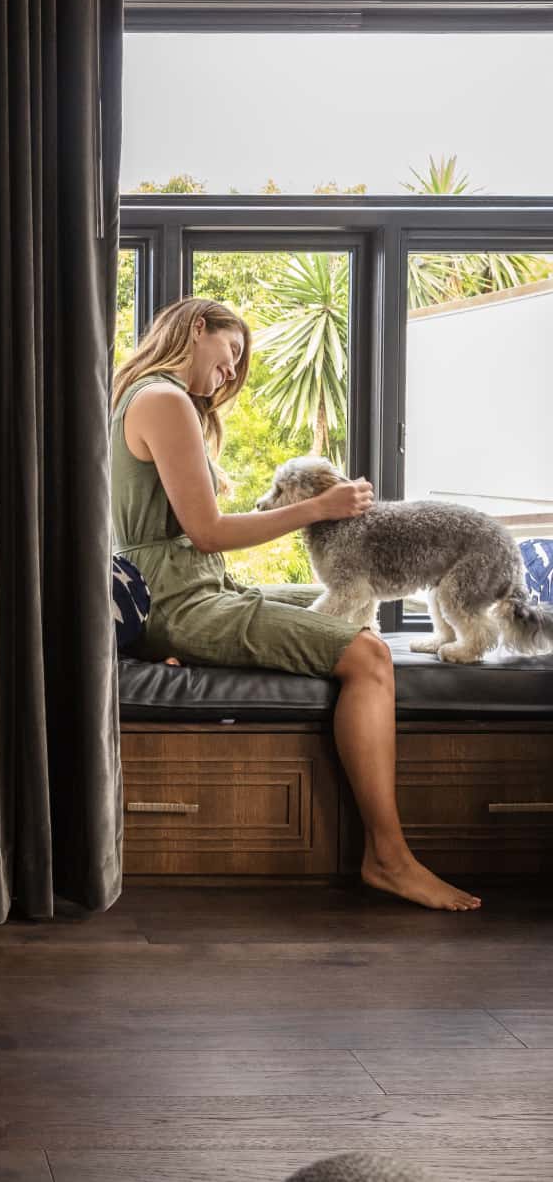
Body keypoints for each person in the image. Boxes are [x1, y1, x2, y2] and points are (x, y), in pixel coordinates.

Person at [111, 296, 481, 912]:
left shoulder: (146, 397)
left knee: (348, 600)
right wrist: (318, 508)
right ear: (198, 328)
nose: (232, 371)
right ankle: (388, 859)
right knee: (368, 656)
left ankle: (384, 850)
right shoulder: (164, 400)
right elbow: (208, 533)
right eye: (231, 352)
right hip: (180, 601)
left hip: (192, 589)